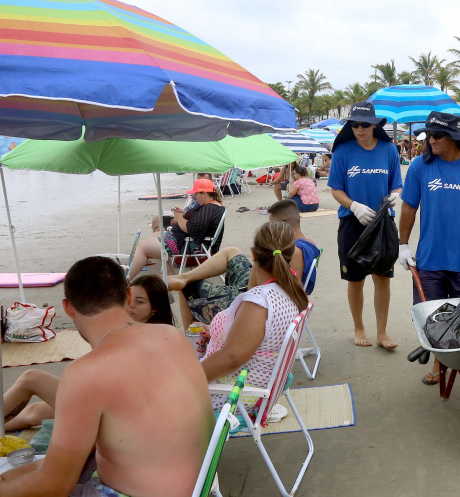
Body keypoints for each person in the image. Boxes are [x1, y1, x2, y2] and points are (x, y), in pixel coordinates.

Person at [0, 257, 212, 496]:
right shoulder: (172, 335)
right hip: (200, 485)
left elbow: (55, 486)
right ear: (128, 296)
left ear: (68, 308)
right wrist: (4, 481)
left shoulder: (85, 374)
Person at [0, 275, 175, 451]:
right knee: (36, 412)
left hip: (118, 416)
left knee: (32, 378)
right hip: (112, 406)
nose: (131, 306)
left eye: (140, 302)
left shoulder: (148, 336)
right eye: (130, 299)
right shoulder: (141, 330)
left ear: (155, 307)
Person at [397, 111, 460, 385]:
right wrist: (403, 245)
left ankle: (458, 358)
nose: (431, 140)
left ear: (454, 137)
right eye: (429, 135)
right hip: (430, 257)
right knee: (431, 315)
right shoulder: (420, 166)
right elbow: (408, 207)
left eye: (437, 135)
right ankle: (438, 360)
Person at [198, 221, 309, 424]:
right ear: (290, 255)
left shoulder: (260, 303)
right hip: (252, 385)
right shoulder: (290, 289)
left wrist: (186, 379)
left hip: (232, 396)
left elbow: (232, 358)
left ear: (253, 254)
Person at [324, 101, 402, 349]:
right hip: (352, 221)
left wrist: (395, 196)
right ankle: (359, 328)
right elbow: (336, 189)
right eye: (355, 124)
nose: (359, 129)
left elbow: (396, 184)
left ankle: (382, 332)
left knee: (382, 278)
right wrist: (354, 206)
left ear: (375, 125)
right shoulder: (342, 152)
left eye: (365, 124)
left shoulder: (389, 150)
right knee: (356, 279)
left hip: (382, 223)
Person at [170, 200, 319, 327]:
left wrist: (257, 259)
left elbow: (254, 290)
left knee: (187, 288)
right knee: (232, 251)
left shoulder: (288, 253)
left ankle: (194, 343)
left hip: (260, 304)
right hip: (268, 293)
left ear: (282, 225)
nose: (269, 230)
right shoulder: (308, 244)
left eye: (271, 226)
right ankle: (184, 276)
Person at [128, 178, 225, 280]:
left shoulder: (209, 208)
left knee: (143, 247)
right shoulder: (212, 206)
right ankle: (169, 272)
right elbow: (198, 223)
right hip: (186, 240)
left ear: (204, 194)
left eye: (196, 194)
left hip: (187, 244)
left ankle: (126, 280)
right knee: (154, 235)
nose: (195, 197)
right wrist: (183, 215)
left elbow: (189, 228)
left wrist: (179, 218)